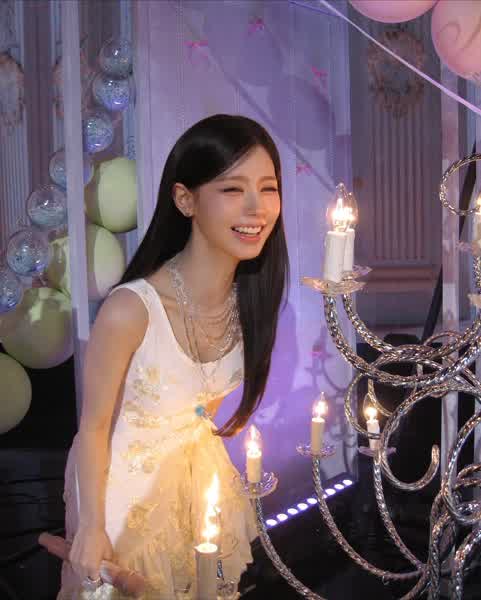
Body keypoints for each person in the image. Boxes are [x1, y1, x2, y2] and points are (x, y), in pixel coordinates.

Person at [57, 114, 289, 599]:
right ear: (185, 199)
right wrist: (92, 527)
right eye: (232, 189)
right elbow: (93, 428)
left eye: (268, 188)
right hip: (121, 502)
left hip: (196, 488)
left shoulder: (249, 300)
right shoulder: (131, 310)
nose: (257, 208)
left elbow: (200, 406)